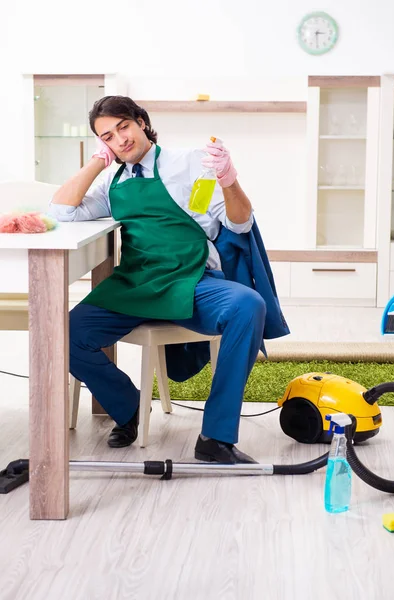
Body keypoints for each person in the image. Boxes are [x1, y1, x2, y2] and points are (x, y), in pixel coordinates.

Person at [49, 95, 270, 464]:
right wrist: (96, 162)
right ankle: (130, 408)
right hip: (137, 281)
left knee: (248, 305)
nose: (119, 140)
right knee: (64, 333)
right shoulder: (111, 183)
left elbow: (240, 222)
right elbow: (61, 211)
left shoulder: (188, 164)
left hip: (192, 279)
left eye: (123, 127)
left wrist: (229, 181)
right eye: (107, 137)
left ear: (141, 122)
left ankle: (215, 437)